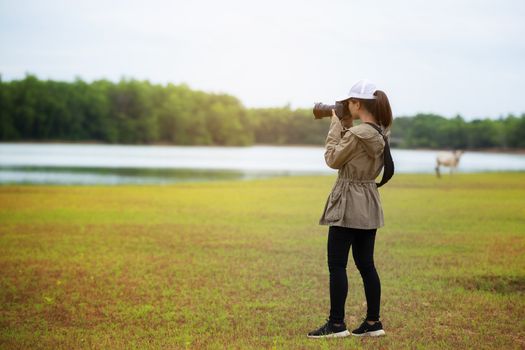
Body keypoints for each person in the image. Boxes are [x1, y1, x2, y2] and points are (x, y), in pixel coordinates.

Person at [307, 79, 393, 338]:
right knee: (367, 265)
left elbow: (333, 158)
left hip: (348, 203)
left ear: (357, 104)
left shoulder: (358, 134)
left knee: (337, 265)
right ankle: (373, 323)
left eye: (349, 102)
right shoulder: (379, 132)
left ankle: (336, 325)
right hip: (368, 200)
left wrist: (336, 124)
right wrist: (345, 123)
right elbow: (352, 153)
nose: (346, 106)